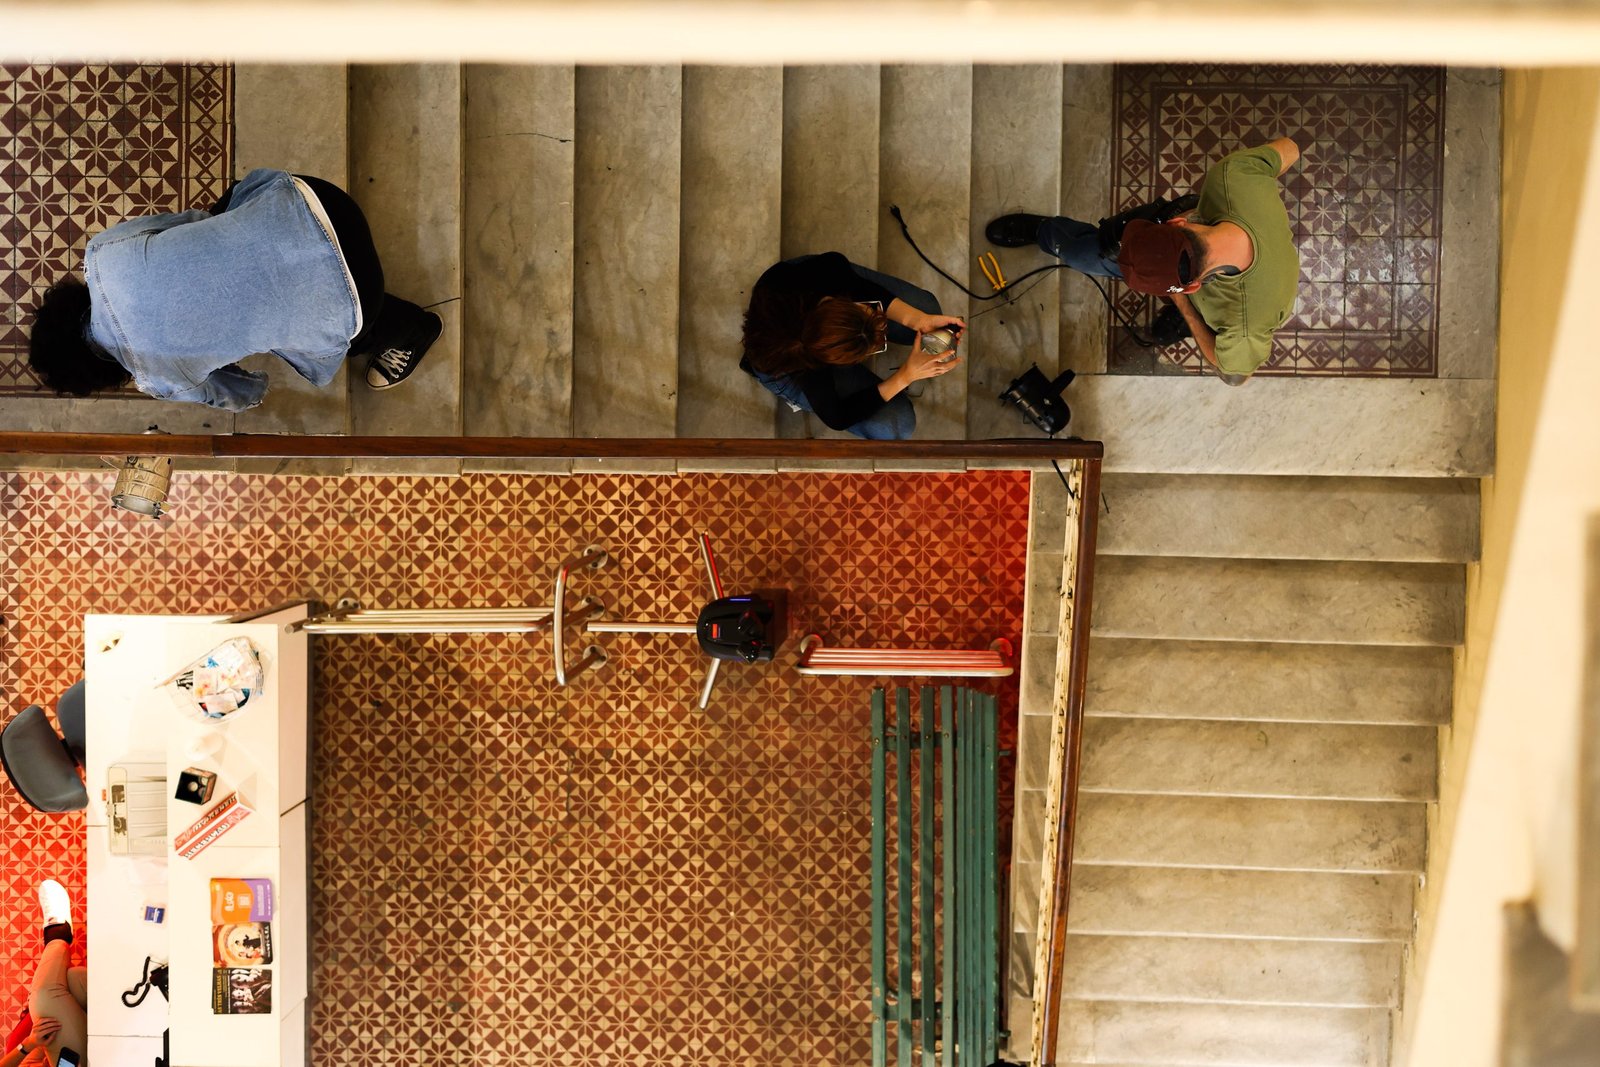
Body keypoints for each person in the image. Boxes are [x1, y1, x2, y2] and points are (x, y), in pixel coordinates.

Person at [27, 168, 441, 411]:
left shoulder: (159, 379)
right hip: (321, 200)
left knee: (333, 333)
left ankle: (416, 330)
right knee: (224, 215)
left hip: (358, 293)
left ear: (100, 374)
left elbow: (243, 393)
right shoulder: (102, 253)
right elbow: (193, 221)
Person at [985, 137, 1301, 385]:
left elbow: (1235, 377)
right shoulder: (1233, 179)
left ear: (1191, 287)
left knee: (1165, 330)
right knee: (1089, 252)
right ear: (1178, 221)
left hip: (1212, 305)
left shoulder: (1244, 326)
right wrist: (1256, 195)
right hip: (1199, 265)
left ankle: (1186, 317)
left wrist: (1188, 313)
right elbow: (1291, 148)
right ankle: (1043, 231)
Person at [740, 252, 966, 439]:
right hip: (785, 365)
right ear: (834, 361)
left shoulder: (825, 272)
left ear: (834, 299)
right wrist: (904, 376)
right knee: (897, 426)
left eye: (868, 309)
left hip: (807, 279)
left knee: (927, 309)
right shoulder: (802, 365)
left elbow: (854, 284)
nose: (884, 331)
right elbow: (837, 417)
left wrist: (917, 319)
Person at [0, 880, 86, 1067]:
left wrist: (28, 1044)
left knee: (72, 979)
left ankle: (59, 933)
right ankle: (58, 933)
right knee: (46, 995)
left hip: (34, 1050)